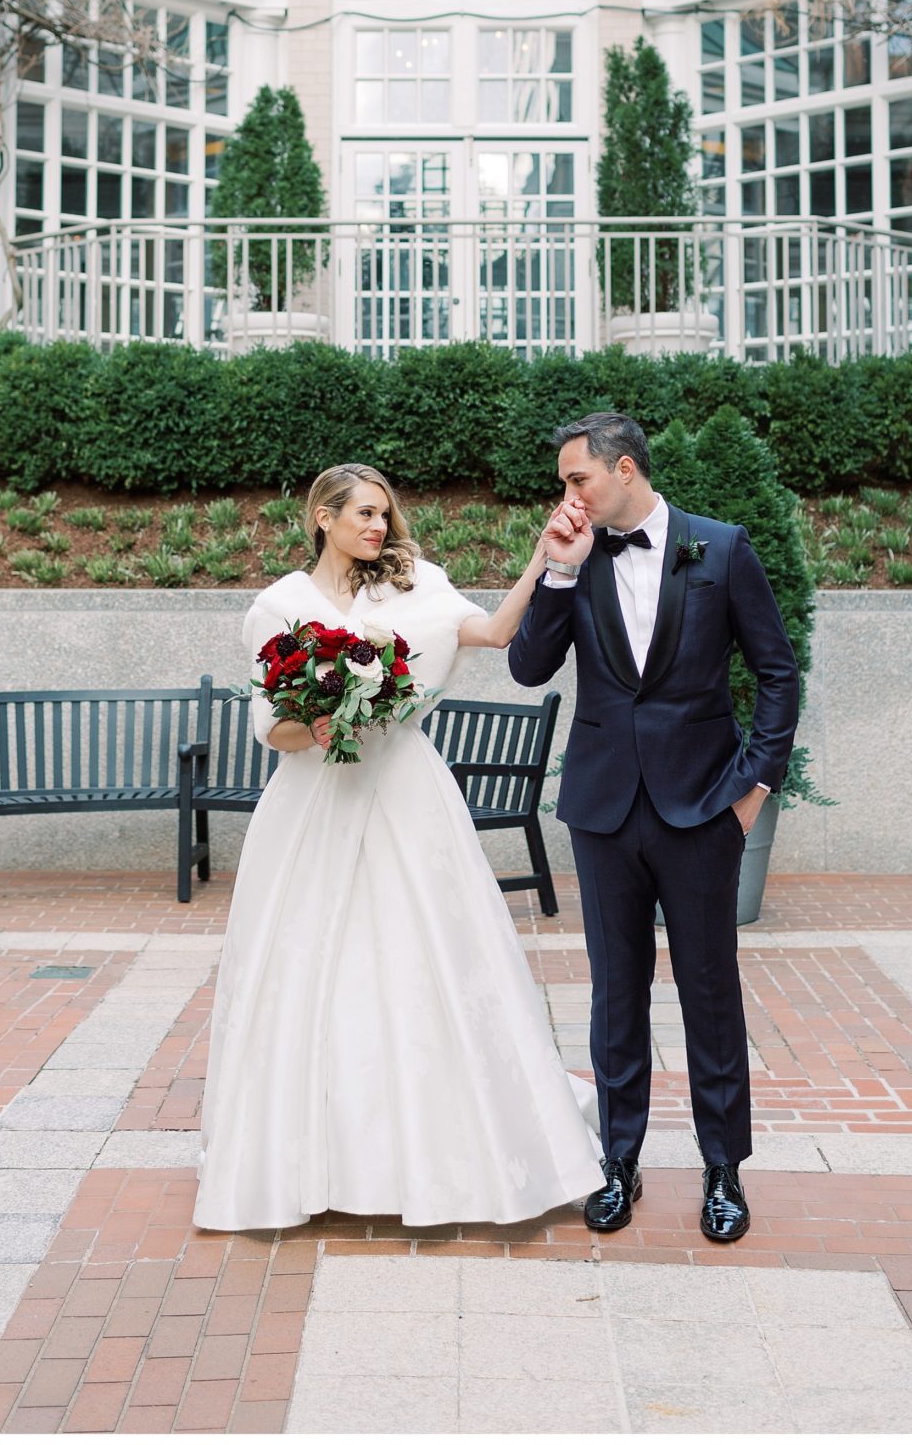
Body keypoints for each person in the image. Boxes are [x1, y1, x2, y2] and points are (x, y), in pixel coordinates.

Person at [194, 462, 604, 1232]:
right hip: (315, 803)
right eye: (362, 514)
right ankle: (306, 1165)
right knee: (310, 967)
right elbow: (273, 730)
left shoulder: (417, 585)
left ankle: (445, 1160)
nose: (378, 526)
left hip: (407, 791)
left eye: (384, 513)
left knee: (427, 960)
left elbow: (495, 631)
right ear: (322, 516)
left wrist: (545, 558)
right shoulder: (279, 606)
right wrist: (320, 721)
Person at [508, 412, 800, 1242]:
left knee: (710, 992)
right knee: (613, 994)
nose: (567, 495)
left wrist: (754, 787)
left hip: (702, 805)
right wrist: (556, 574)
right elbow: (528, 667)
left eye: (577, 480)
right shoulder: (575, 556)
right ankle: (618, 1162)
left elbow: (777, 672)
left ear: (624, 470)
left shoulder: (720, 547)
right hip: (604, 810)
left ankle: (722, 1172)